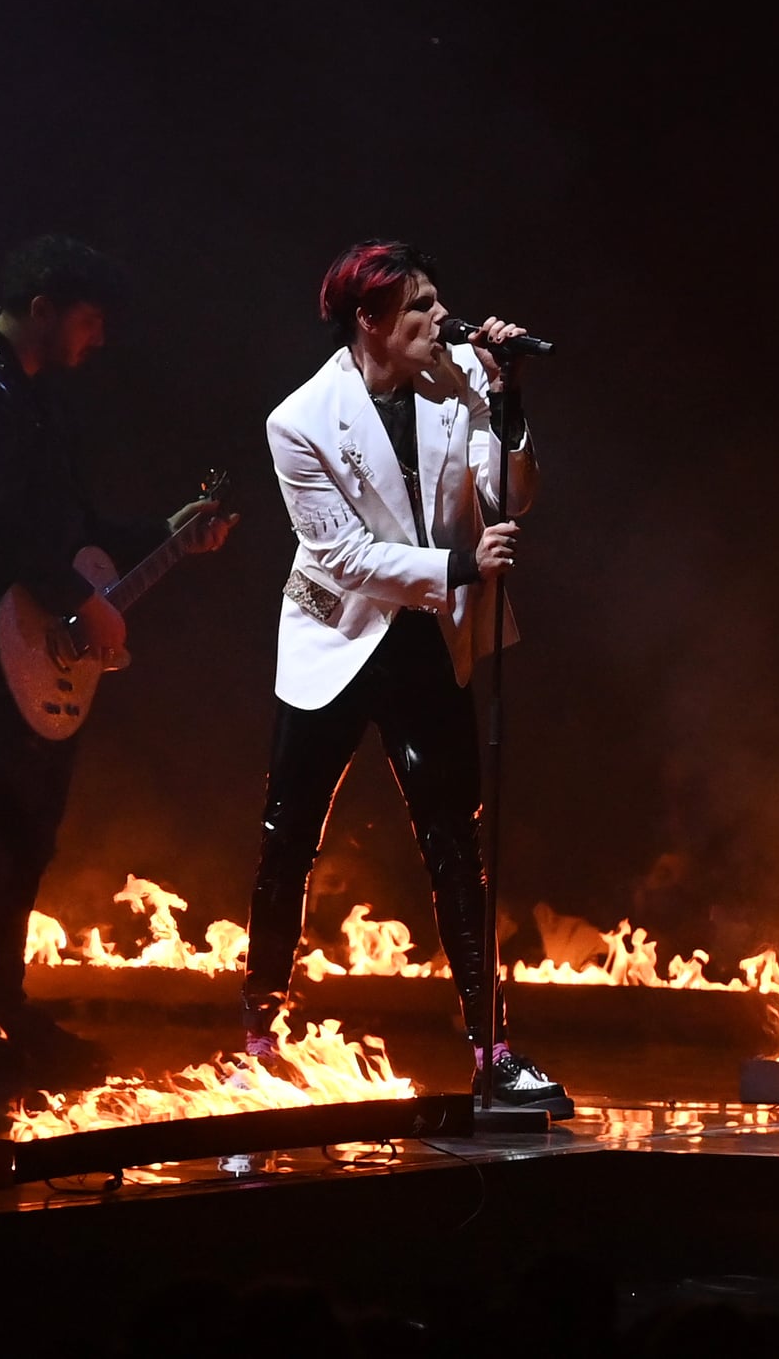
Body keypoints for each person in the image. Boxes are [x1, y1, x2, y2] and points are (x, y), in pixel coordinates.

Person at [240, 238, 571, 1115]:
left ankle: (492, 1048)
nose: (438, 319)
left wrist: (510, 399)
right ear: (370, 321)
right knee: (289, 834)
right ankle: (259, 1035)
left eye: (437, 302)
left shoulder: (463, 376)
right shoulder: (300, 419)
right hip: (336, 637)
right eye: (418, 307)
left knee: (455, 837)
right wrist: (461, 566)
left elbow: (511, 497)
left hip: (422, 633)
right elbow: (344, 557)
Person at [0, 233, 237, 1084]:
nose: (99, 339)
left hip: (35, 650)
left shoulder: (40, 402)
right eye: (90, 319)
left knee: (27, 834)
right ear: (44, 307)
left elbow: (76, 534)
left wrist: (165, 536)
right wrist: (76, 600)